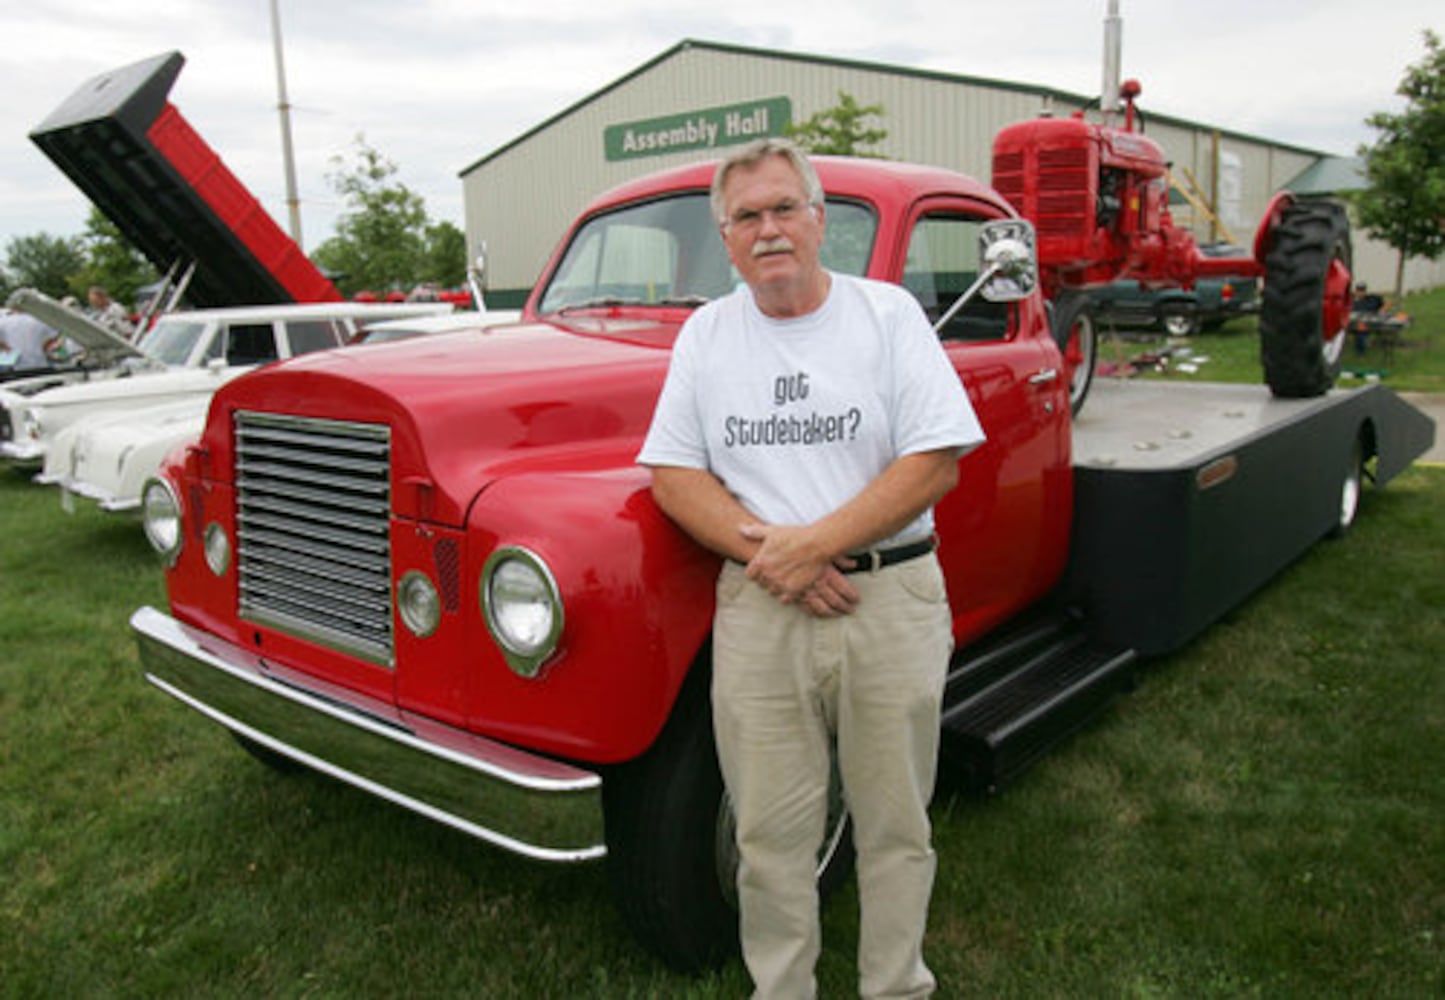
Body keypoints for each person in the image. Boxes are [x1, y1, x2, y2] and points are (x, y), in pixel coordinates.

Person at [637, 138, 984, 999]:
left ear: (818, 220)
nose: (767, 229)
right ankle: (781, 988)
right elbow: (673, 473)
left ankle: (893, 984)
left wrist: (814, 542)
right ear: (725, 238)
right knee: (766, 832)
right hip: (762, 608)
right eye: (746, 216)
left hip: (888, 596)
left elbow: (935, 459)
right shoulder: (706, 336)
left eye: (783, 208)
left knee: (895, 824)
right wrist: (777, 555)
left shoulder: (887, 315)